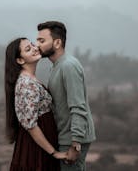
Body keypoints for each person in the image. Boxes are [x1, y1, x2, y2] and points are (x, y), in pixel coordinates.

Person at [36, 21, 96, 170]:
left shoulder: (68, 66)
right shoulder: (57, 66)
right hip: (65, 136)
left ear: (57, 43)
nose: (37, 45)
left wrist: (75, 143)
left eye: (42, 41)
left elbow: (78, 106)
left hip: (71, 140)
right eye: (37, 40)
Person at [5, 37, 67, 170]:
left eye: (32, 45)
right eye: (28, 49)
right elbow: (31, 125)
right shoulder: (26, 84)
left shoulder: (29, 79)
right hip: (36, 148)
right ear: (20, 60)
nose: (34, 48)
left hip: (41, 142)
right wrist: (53, 152)